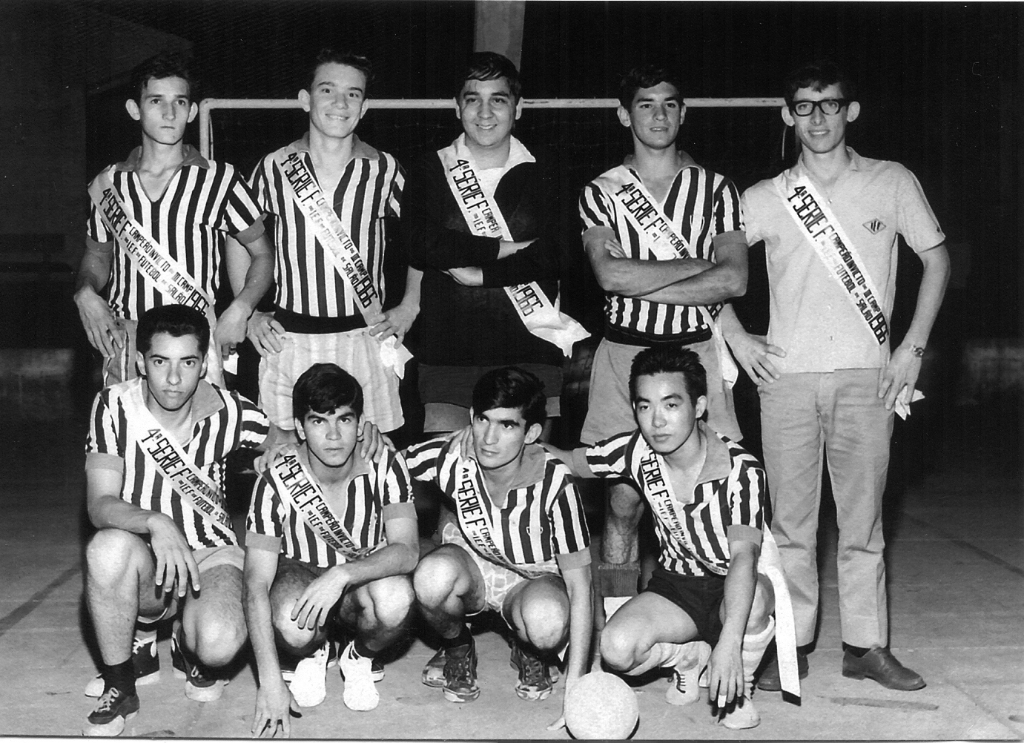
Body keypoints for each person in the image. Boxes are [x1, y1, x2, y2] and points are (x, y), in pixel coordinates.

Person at [719, 60, 950, 692]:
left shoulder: (891, 181)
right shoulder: (763, 196)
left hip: (868, 377)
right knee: (792, 525)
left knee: (862, 523)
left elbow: (937, 261)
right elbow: (717, 276)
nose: (817, 117)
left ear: (851, 110)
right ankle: (786, 649)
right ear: (787, 114)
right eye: (804, 105)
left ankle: (865, 646)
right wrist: (737, 338)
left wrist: (912, 348)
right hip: (787, 380)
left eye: (829, 103)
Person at [546, 345, 797, 729]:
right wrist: (483, 441)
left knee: (757, 601)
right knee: (615, 649)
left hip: (735, 583)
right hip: (677, 586)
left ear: (698, 407)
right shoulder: (635, 451)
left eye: (671, 405)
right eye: (644, 406)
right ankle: (688, 657)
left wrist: (729, 645)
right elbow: (566, 459)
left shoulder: (740, 470)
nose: (657, 421)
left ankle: (737, 685)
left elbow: (744, 559)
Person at [577, 64, 748, 623]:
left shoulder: (717, 189)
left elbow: (734, 280)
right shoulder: (601, 191)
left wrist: (643, 273)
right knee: (623, 504)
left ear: (683, 111)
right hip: (623, 354)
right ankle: (620, 628)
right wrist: (697, 268)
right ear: (625, 114)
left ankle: (720, 631)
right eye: (646, 104)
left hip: (696, 353)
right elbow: (608, 277)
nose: (659, 114)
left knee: (716, 499)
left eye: (670, 103)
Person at [81, 305, 271, 736]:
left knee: (219, 645)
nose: (172, 378)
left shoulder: (230, 409)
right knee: (106, 548)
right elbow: (100, 504)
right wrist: (155, 522)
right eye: (159, 361)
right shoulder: (113, 406)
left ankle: (189, 646)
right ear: (139, 361)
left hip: (211, 552)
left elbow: (295, 438)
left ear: (204, 363)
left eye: (187, 362)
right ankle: (122, 681)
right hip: (147, 557)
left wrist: (366, 438)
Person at [402, 51, 588, 436]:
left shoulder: (549, 170)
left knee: (532, 484)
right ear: (458, 108)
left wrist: (482, 275)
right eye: (473, 99)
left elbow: (561, 251)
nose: (485, 112)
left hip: (532, 353)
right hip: (448, 356)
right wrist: (507, 248)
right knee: (455, 487)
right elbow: (421, 244)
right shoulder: (429, 169)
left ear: (517, 108)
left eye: (498, 100)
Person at [239, 49, 417, 441]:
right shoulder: (275, 166)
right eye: (328, 90)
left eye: (353, 94)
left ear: (365, 106)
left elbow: (424, 239)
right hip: (290, 339)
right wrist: (248, 310)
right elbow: (240, 237)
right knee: (285, 457)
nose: (340, 103)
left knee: (371, 458)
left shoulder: (385, 169)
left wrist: (410, 304)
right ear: (306, 99)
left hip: (365, 338)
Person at [404, 367, 592, 725]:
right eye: (482, 420)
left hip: (530, 580)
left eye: (507, 425)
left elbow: (581, 587)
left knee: (547, 623)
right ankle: (458, 646)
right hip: (473, 570)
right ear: (471, 418)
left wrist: (577, 682)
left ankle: (529, 648)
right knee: (431, 577)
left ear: (532, 432)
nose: (488, 438)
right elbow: (380, 466)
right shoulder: (451, 455)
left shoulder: (556, 484)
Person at [75, 52, 274, 387]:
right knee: (132, 437)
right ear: (134, 110)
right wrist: (85, 291)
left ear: (192, 111)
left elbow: (263, 254)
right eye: (156, 101)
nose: (169, 113)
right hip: (129, 340)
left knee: (204, 436)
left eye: (179, 102)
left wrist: (241, 308)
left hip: (196, 336)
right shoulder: (107, 184)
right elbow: (97, 257)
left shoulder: (220, 179)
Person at [243, 363, 418, 735]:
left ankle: (358, 656)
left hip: (360, 580)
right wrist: (269, 681)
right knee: (291, 622)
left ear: (360, 423)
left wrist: (343, 575)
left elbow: (407, 550)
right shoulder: (277, 476)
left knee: (397, 597)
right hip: (301, 578)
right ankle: (313, 651)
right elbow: (255, 583)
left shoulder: (385, 463)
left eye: (344, 419)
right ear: (300, 427)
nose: (334, 435)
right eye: (319, 421)